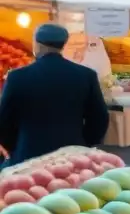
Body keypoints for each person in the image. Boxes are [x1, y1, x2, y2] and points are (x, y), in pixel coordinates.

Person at [0, 24, 109, 165]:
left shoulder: (17, 77)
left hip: (28, 155)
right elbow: (99, 118)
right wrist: (84, 144)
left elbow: (4, 121)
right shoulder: (86, 76)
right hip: (72, 156)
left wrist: (15, 146)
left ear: (36, 45)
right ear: (63, 45)